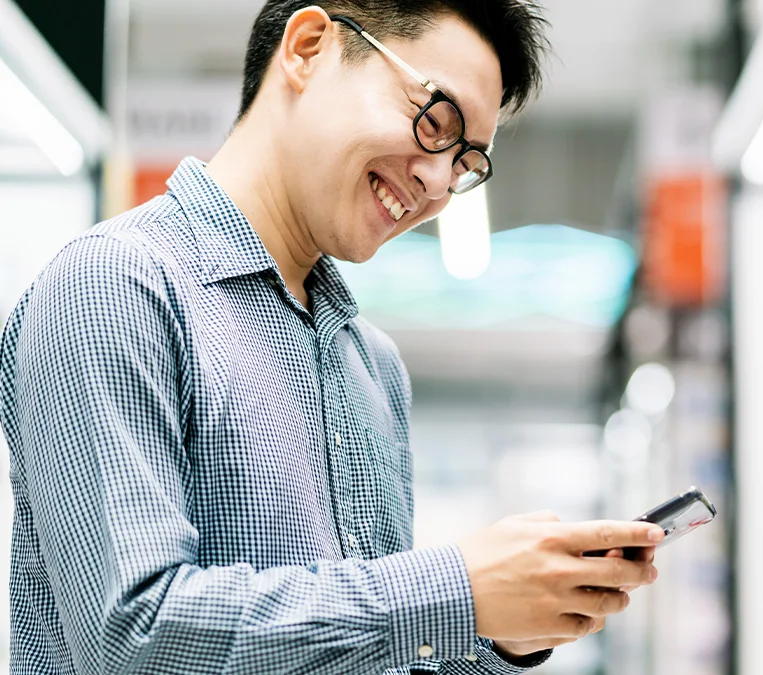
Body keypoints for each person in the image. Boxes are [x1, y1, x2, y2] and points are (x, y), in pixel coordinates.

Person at [0, 1, 663, 673]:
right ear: (310, 47)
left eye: (465, 164)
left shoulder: (369, 363)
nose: (438, 183)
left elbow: (374, 652)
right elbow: (135, 637)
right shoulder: (116, 285)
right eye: (436, 121)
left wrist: (501, 630)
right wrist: (456, 590)